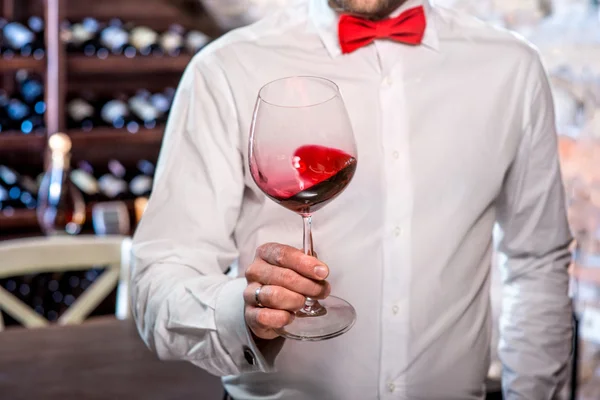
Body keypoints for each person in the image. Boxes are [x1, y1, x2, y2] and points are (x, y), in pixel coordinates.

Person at [131, 0, 574, 399]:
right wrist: (243, 315)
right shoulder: (227, 69)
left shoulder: (511, 67)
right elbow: (158, 284)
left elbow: (537, 261)